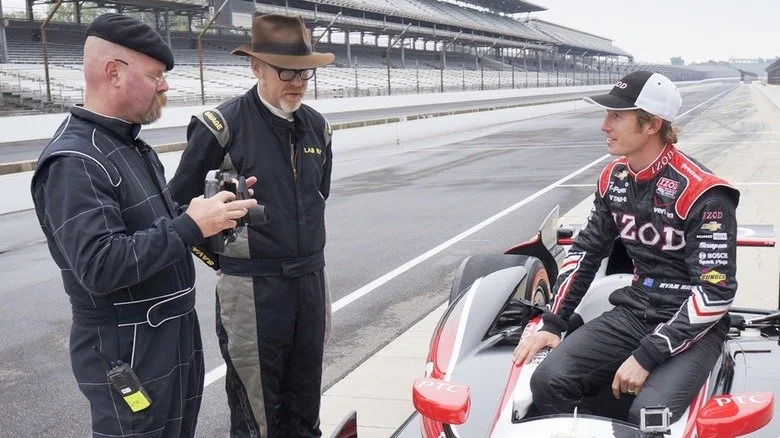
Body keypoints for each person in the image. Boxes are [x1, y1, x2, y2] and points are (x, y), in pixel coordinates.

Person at [30, 13, 257, 437]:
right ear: (113, 72)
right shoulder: (75, 162)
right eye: (156, 75)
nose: (165, 85)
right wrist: (190, 225)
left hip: (169, 335)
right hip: (129, 348)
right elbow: (100, 266)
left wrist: (214, 212)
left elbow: (160, 229)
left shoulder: (130, 145)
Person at [513, 70, 739, 425]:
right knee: (548, 381)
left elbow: (716, 292)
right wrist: (553, 323)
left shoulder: (704, 193)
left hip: (694, 325)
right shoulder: (613, 176)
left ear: (651, 125)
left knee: (650, 415)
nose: (604, 124)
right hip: (635, 310)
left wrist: (647, 355)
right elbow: (587, 251)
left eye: (616, 115)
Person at [168, 14, 334, 437]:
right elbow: (178, 209)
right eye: (286, 71)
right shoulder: (221, 129)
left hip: (311, 285)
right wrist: (219, 261)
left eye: (304, 72)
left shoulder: (318, 127)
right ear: (255, 66)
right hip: (253, 292)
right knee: (257, 418)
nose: (297, 82)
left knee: (305, 411)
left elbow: (319, 198)